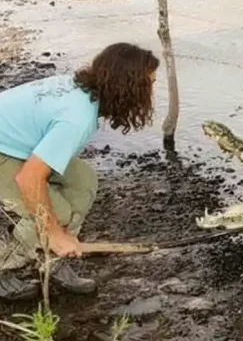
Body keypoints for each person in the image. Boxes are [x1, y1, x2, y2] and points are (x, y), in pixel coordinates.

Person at [0, 42, 160, 301]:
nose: (152, 93)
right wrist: (53, 231)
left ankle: (53, 259)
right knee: (54, 212)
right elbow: (29, 178)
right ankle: (6, 267)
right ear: (128, 87)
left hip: (15, 143)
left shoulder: (84, 89)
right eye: (149, 85)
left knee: (82, 181)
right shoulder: (78, 117)